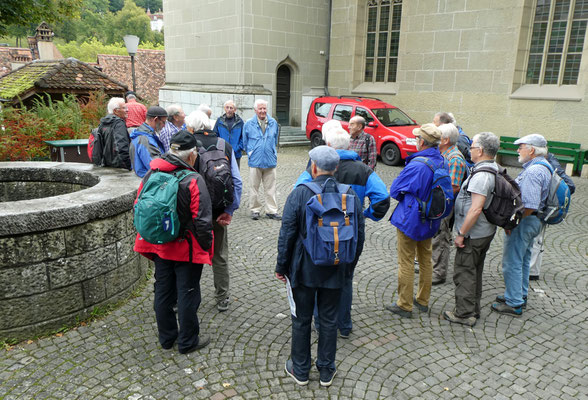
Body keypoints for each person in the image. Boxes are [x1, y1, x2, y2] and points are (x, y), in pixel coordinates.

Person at [276, 145, 365, 387]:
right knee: (328, 320)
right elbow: (359, 237)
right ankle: (326, 371)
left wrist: (281, 266)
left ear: (313, 167)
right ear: (336, 168)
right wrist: (348, 268)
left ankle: (301, 369)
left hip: (304, 268)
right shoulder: (350, 195)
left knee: (301, 319)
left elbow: (287, 233)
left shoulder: (300, 193)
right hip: (337, 268)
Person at [294, 126, 389, 338]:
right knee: (345, 276)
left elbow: (297, 192)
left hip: (320, 232)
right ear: (349, 145)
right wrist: (365, 214)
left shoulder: (315, 167)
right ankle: (344, 325)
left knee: (320, 274)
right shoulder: (363, 170)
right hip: (350, 232)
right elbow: (382, 198)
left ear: (328, 146)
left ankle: (321, 321)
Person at [133, 130, 213, 354]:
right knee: (187, 292)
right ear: (191, 155)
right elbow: (202, 220)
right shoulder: (193, 180)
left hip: (159, 245)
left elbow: (139, 206)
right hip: (185, 249)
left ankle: (167, 338)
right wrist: (206, 247)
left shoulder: (151, 173)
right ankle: (188, 341)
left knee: (163, 291)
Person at [385, 123, 445, 319]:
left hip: (411, 219)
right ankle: (423, 300)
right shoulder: (441, 161)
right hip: (430, 218)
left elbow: (395, 190)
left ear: (422, 142)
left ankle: (404, 304)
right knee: (426, 259)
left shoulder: (418, 164)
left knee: (406, 261)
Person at [442, 132, 500, 326]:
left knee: (464, 272)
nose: (470, 149)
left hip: (473, 234)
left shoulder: (482, 175)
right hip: (484, 231)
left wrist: (461, 234)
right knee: (474, 270)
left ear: (481, 150)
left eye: (473, 146)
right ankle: (473, 308)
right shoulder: (492, 168)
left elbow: (475, 209)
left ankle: (464, 314)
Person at [187, 110, 243, 312]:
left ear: (191, 127)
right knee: (219, 255)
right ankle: (222, 298)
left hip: (195, 213)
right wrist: (230, 210)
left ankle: (189, 297)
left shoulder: (189, 145)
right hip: (219, 211)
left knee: (192, 255)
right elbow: (236, 180)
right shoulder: (223, 145)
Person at [491, 134, 551, 316]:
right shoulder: (543, 166)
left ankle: (514, 302)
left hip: (526, 222)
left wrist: (513, 224)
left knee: (512, 261)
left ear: (531, 150)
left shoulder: (534, 171)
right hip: (534, 221)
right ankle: (519, 295)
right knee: (523, 259)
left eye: (521, 147)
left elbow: (530, 205)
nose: (518, 150)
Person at [528, 152, 575, 280]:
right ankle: (532, 271)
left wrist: (549, 199)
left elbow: (570, 186)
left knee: (536, 239)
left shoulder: (549, 162)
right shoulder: (544, 161)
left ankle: (531, 271)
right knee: (538, 238)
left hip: (544, 208)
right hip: (543, 207)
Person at [432, 123, 467, 285]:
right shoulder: (443, 153)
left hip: (444, 205)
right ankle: (433, 266)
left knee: (441, 237)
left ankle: (438, 273)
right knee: (435, 236)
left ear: (445, 140)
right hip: (439, 202)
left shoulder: (454, 158)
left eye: (438, 136)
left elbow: (453, 187)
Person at [243, 99, 281, 220]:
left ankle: (271, 210)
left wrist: (273, 152)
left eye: (264, 108)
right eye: (260, 108)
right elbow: (245, 142)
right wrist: (251, 152)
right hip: (255, 160)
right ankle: (255, 209)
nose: (262, 111)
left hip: (270, 160)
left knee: (271, 187)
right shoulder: (248, 124)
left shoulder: (273, 122)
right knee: (254, 187)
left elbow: (275, 140)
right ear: (255, 110)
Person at [129, 106, 167, 178]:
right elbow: (155, 166)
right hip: (148, 180)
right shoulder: (145, 139)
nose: (164, 126)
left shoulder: (144, 135)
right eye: (163, 122)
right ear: (155, 119)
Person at [96, 97, 131, 170]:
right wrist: (128, 166)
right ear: (116, 111)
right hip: (119, 166)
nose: (127, 110)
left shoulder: (103, 123)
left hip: (106, 165)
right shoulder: (119, 124)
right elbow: (122, 147)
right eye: (124, 108)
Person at [213, 100, 244, 168]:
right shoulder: (220, 121)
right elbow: (215, 135)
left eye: (231, 108)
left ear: (235, 110)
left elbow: (243, 138)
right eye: (227, 107)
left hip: (236, 154)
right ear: (224, 108)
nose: (229, 110)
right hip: (222, 154)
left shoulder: (240, 122)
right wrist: (219, 148)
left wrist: (238, 148)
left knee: (235, 176)